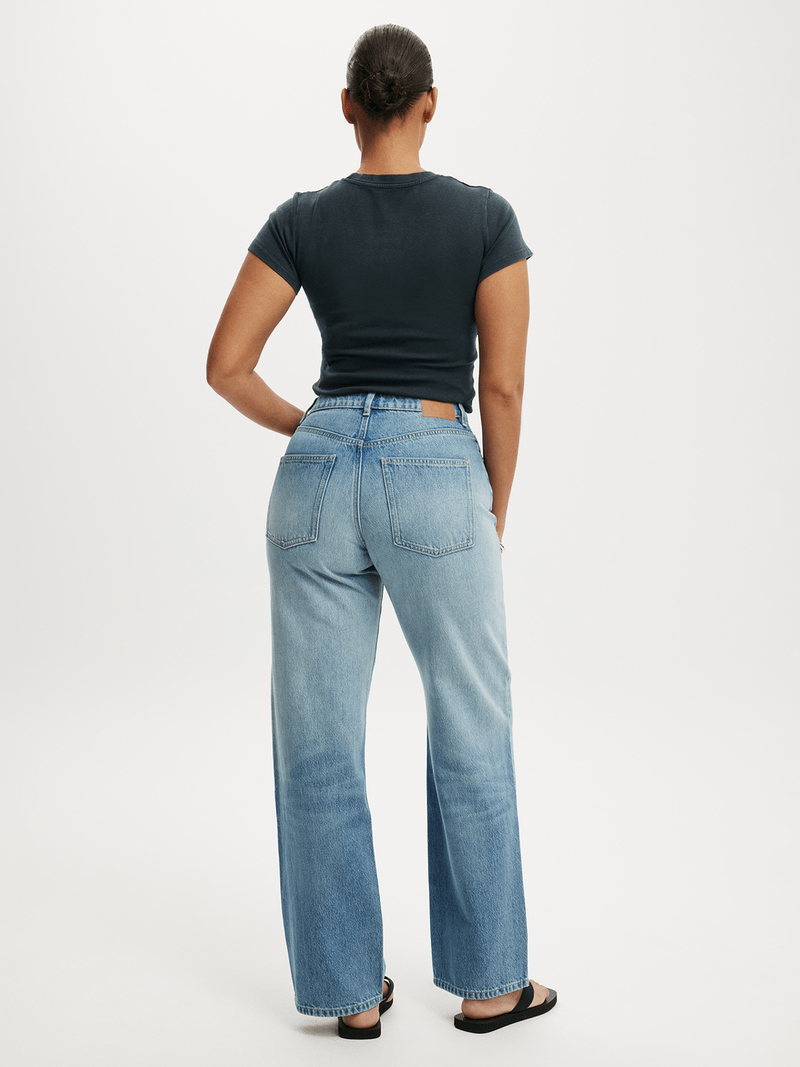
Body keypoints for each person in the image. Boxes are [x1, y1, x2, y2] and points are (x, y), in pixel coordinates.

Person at [206, 22, 557, 1040]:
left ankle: (350, 996)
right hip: (435, 466)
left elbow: (226, 365)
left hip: (315, 476)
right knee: (470, 724)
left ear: (348, 107)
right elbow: (502, 384)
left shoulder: (301, 218)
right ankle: (491, 985)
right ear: (430, 104)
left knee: (315, 741)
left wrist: (312, 428)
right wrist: (493, 501)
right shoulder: (484, 218)